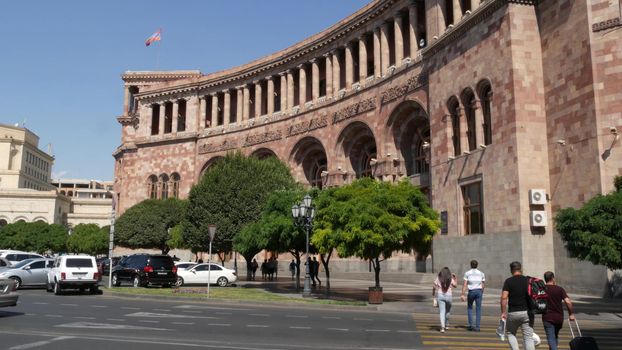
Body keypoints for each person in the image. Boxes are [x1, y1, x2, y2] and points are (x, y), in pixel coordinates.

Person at [500, 261, 535, 350]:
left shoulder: (508, 281)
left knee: (510, 333)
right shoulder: (528, 280)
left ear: (511, 270)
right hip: (527, 313)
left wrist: (503, 312)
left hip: (513, 313)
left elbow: (504, 297)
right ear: (521, 269)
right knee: (528, 337)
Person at [542, 271, 575, 350]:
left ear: (545, 279)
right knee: (554, 337)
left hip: (547, 318)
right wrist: (571, 314)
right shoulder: (560, 289)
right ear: (553, 278)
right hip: (559, 318)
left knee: (551, 338)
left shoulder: (542, 289)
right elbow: (568, 302)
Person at [461, 259, 485, 331]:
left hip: (471, 292)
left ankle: (471, 325)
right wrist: (481, 292)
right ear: (477, 265)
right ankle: (477, 327)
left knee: (470, 308)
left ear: (470, 265)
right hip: (479, 291)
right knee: (478, 309)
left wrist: (463, 294)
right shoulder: (481, 273)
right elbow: (483, 284)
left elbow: (465, 284)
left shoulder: (467, 273)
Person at [433, 267, 457, 333]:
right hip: (449, 296)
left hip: (440, 295)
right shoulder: (450, 278)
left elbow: (434, 285)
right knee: (448, 311)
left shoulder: (439, 277)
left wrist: (433, 292)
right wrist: (455, 278)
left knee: (442, 312)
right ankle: (447, 325)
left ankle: (442, 328)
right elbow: (455, 285)